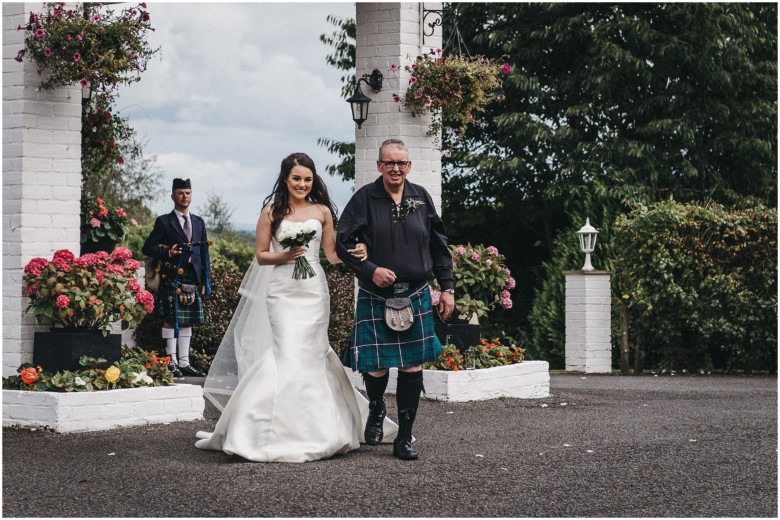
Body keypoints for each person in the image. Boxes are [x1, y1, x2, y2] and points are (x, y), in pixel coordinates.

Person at [195, 152, 397, 462]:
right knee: (286, 351)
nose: (302, 184)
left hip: (314, 291)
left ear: (313, 180)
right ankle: (263, 430)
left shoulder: (322, 211)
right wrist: (284, 256)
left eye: (307, 179)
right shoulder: (271, 211)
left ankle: (319, 430)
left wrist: (359, 251)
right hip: (281, 290)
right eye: (296, 178)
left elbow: (331, 255)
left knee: (312, 353)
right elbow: (262, 255)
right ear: (285, 179)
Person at [336, 138, 456, 461]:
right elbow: (341, 242)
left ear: (409, 166)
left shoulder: (421, 197)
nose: (396, 169)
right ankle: (376, 408)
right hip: (377, 294)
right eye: (389, 163)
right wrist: (369, 269)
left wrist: (447, 287)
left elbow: (439, 245)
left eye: (401, 163)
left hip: (416, 292)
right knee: (375, 368)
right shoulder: (365, 199)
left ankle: (404, 435)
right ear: (379, 166)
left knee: (410, 365)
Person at [142, 178, 210, 378]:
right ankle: (170, 361)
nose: (184, 196)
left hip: (192, 277)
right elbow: (147, 248)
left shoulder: (198, 222)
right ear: (173, 196)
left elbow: (205, 253)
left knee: (187, 321)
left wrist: (205, 281)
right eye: (180, 193)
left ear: (191, 195)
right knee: (171, 319)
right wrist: (168, 253)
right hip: (172, 276)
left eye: (187, 193)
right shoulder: (164, 221)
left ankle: (184, 362)